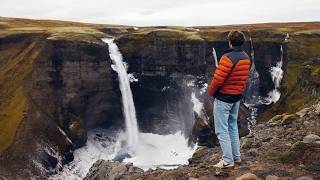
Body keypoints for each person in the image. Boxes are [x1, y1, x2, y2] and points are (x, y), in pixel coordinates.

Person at [208, 30, 251, 169]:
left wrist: (211, 92)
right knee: (232, 126)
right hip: (236, 97)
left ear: (230, 41)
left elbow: (218, 80)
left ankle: (227, 161)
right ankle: (236, 157)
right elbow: (243, 79)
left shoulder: (227, 57)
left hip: (224, 97)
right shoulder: (246, 57)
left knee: (221, 129)